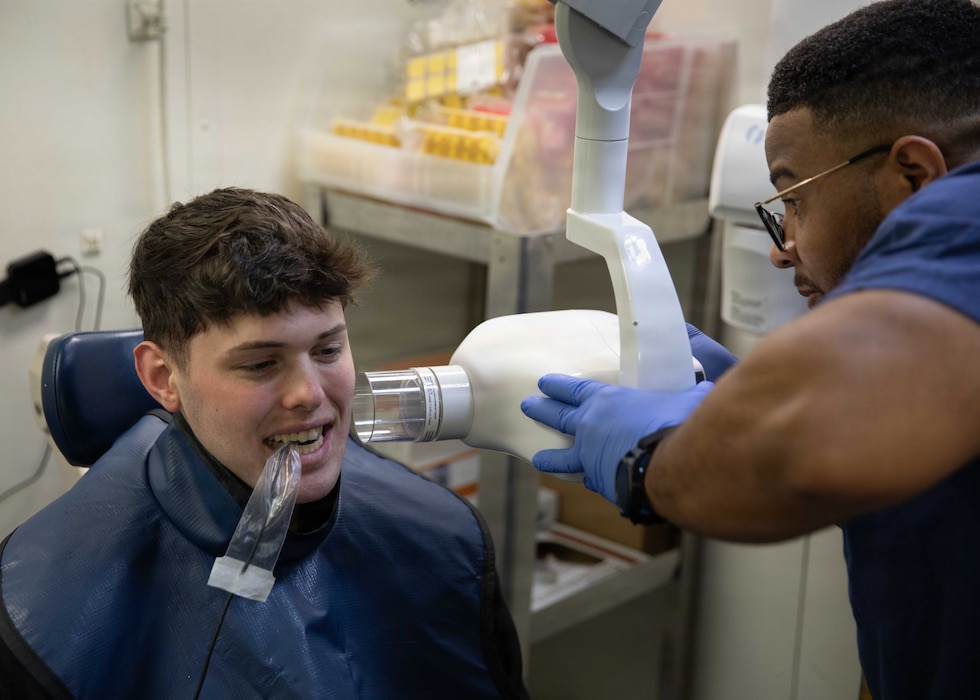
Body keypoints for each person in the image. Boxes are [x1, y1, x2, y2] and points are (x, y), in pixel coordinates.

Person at [520, 1, 980, 698]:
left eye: (792, 198)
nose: (780, 247)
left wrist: (654, 460)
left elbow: (801, 459)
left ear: (913, 175)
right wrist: (753, 405)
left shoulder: (965, 219)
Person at [0, 187, 529, 699]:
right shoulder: (40, 616)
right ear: (163, 377)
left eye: (327, 350)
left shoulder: (443, 536)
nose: (309, 395)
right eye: (259, 364)